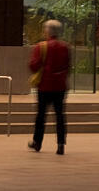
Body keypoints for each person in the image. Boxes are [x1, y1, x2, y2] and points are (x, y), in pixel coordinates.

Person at [27, 19, 71, 155]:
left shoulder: (41, 46)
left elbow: (33, 65)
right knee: (60, 115)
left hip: (45, 86)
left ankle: (37, 142)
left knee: (41, 115)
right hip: (60, 86)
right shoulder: (65, 47)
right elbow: (68, 67)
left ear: (47, 31)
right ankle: (60, 144)